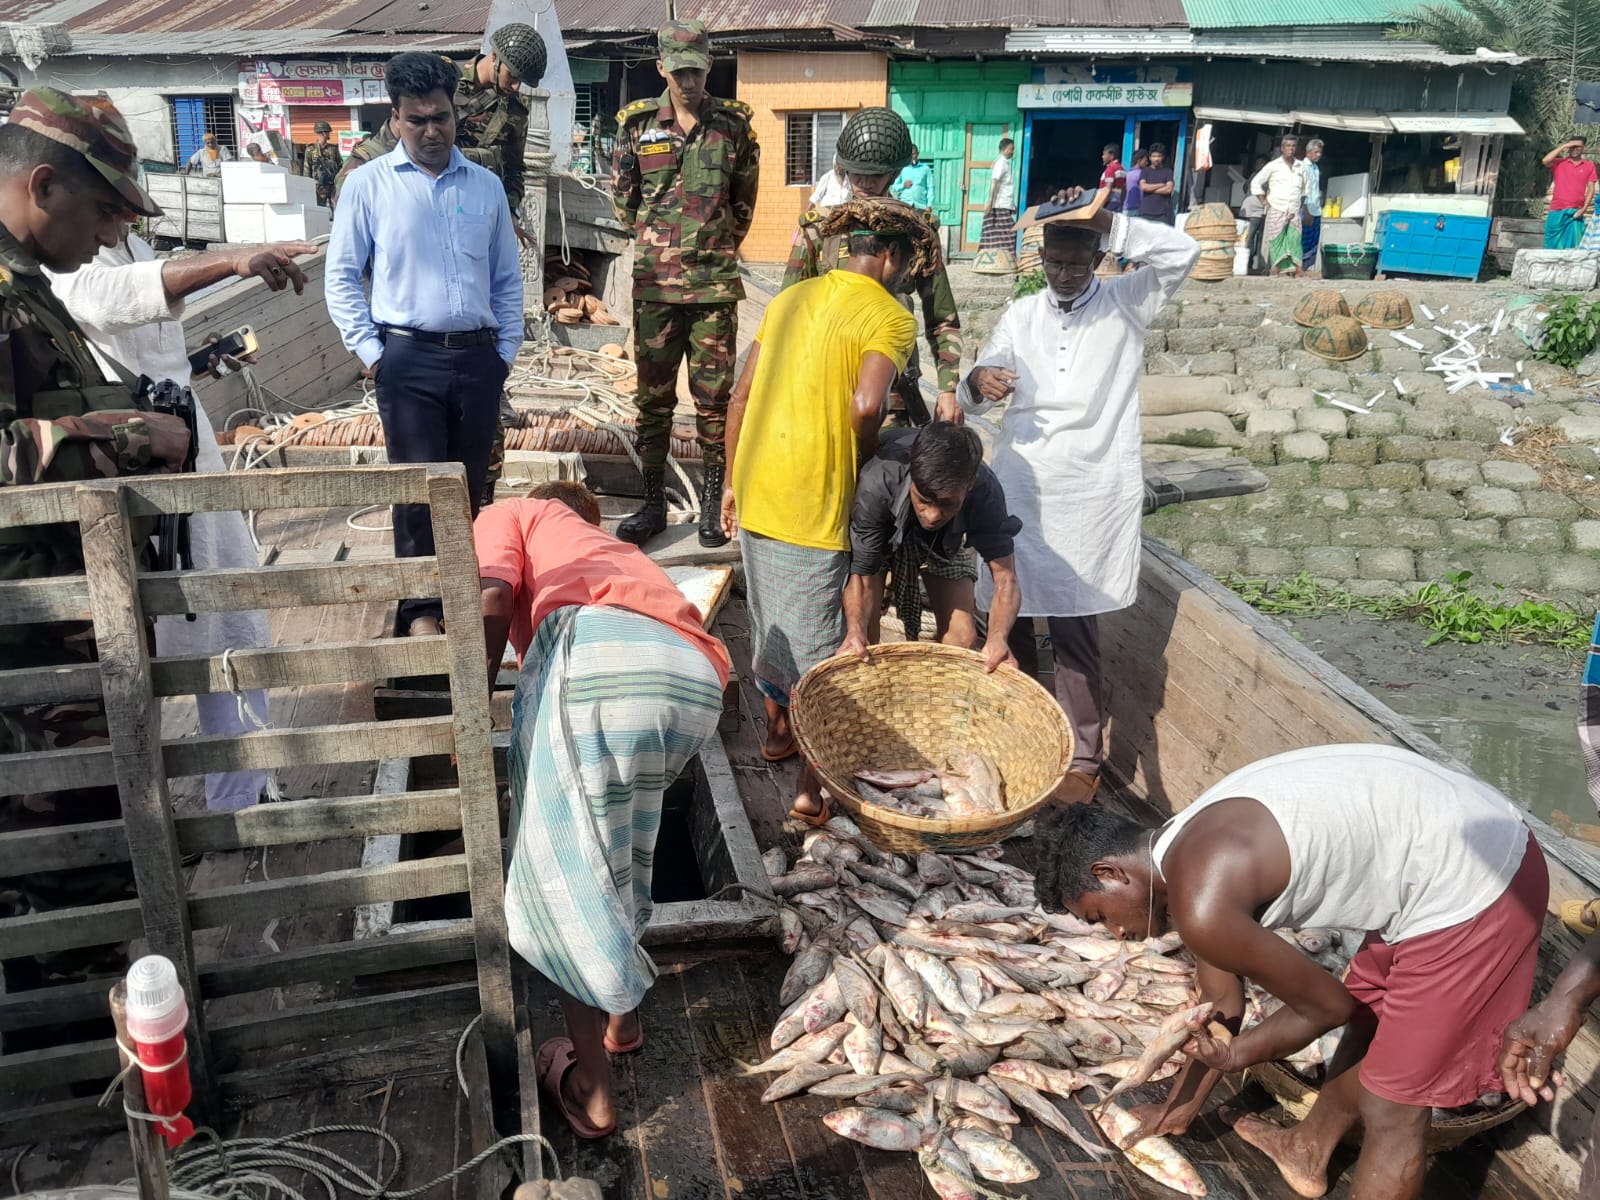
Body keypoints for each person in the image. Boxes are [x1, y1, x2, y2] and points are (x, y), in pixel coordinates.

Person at [1037, 744, 1547, 1200]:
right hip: (1446, 855)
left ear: (1110, 872)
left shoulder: (1202, 905)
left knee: (1394, 1109)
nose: (1115, 933)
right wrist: (1180, 1106)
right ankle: (1307, 1149)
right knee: (1369, 1014)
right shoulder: (1183, 849)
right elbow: (1222, 1004)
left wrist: (1237, 1055)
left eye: (1100, 916)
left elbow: (1328, 1007)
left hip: (1482, 883)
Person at [0, 88, 192, 1029]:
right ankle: (77, 1046)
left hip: (73, 626)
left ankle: (110, 1017)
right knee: (58, 849)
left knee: (102, 832)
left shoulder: (30, 291)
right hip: (27, 642)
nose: (114, 236)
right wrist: (127, 434)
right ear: (43, 186)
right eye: (104, 211)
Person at [475, 494, 730, 1139]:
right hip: (694, 675)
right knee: (623, 848)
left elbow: (490, 598)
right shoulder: (610, 550)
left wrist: (467, 714)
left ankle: (592, 1091)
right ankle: (623, 1020)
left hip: (597, 662)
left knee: (565, 879)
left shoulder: (515, 510)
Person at [45, 232, 317, 811]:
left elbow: (151, 335)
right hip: (130, 463)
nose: (121, 217)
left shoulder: (137, 246)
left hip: (192, 450)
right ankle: (148, 814)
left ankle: (242, 791)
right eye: (109, 206)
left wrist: (200, 359)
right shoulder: (65, 260)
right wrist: (230, 261)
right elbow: (105, 296)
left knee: (233, 613)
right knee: (146, 640)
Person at [960, 195, 1198, 805]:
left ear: (1098, 257)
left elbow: (1183, 252)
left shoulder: (1127, 302)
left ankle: (1083, 758)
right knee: (1010, 614)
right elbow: (978, 383)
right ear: (1041, 258)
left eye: (1076, 263)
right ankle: (1024, 737)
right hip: (1023, 480)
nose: (1064, 274)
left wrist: (1110, 221)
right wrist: (980, 381)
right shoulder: (1021, 313)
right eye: (1055, 263)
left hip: (1090, 488)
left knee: (1074, 625)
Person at [721, 198, 921, 824]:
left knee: (771, 623)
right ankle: (811, 789)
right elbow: (867, 405)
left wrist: (730, 481)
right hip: (814, 497)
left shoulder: (788, 299)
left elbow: (740, 395)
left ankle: (777, 734)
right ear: (890, 257)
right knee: (821, 649)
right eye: (907, 264)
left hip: (758, 482)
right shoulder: (890, 316)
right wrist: (866, 456)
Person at [326, 51, 524, 639]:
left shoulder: (486, 187)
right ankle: (419, 616)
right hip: (406, 360)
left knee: (469, 488)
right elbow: (341, 276)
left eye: (441, 117)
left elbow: (507, 279)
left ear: (454, 113)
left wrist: (503, 355)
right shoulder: (367, 186)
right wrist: (373, 354)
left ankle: (460, 602)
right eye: (417, 120)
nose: (432, 131)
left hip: (478, 359)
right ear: (395, 119)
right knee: (416, 493)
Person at [610, 19, 759, 550]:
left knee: (713, 404)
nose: (688, 82)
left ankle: (714, 507)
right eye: (678, 72)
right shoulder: (637, 125)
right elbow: (624, 201)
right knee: (653, 402)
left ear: (709, 66)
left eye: (696, 71)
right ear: (661, 69)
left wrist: (710, 248)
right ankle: (652, 504)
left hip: (713, 290)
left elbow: (743, 205)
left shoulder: (734, 126)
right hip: (655, 288)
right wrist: (660, 248)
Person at [784, 107, 962, 427]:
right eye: (857, 174)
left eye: (875, 175)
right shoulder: (819, 229)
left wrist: (948, 389)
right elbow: (789, 313)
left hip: (890, 393)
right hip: (825, 384)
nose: (865, 183)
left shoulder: (916, 231)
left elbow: (942, 318)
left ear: (894, 174)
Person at [334, 22, 548, 248]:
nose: (516, 87)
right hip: (419, 207)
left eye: (521, 82)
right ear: (494, 57)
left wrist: (509, 211)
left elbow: (515, 169)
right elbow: (396, 133)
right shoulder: (442, 79)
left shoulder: (515, 111)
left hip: (472, 214)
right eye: (512, 77)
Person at [842, 422, 1021, 669]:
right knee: (865, 642)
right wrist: (854, 630)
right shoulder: (878, 481)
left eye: (947, 504)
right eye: (924, 500)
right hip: (883, 531)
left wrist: (998, 639)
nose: (932, 515)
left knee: (963, 639)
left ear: (969, 485)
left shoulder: (986, 492)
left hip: (945, 542)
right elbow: (862, 577)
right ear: (913, 477)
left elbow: (1005, 579)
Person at [1251, 135, 1307, 276]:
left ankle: (1298, 269)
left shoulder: (1301, 166)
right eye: (1288, 146)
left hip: (1294, 209)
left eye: (1293, 146)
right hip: (1277, 207)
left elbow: (1306, 189)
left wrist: (1303, 206)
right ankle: (1275, 268)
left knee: (1295, 239)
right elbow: (1256, 182)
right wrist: (1263, 200)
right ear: (1282, 148)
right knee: (1276, 239)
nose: (1291, 149)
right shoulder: (1273, 165)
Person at [1542, 137, 1596, 249]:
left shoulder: (1589, 165)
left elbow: (1591, 189)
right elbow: (1545, 161)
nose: (1575, 149)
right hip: (1556, 209)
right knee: (1551, 245)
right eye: (1572, 146)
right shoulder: (1559, 163)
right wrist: (1563, 146)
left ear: (1583, 148)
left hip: (1575, 213)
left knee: (1574, 247)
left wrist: (1583, 209)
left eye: (1578, 146)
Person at [978, 136, 1017, 252]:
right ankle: (998, 256)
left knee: (1003, 233)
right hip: (1000, 204)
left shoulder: (1006, 164)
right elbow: (994, 182)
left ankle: (1001, 257)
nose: (1012, 152)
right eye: (1011, 149)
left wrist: (1012, 205)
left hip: (1005, 204)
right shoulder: (1000, 164)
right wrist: (990, 202)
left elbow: (1005, 186)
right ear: (1004, 149)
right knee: (1007, 233)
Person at [302, 120, 343, 208]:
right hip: (319, 187)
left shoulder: (333, 149)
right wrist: (308, 186)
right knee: (320, 210)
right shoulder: (311, 149)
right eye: (328, 132)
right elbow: (307, 169)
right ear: (323, 133)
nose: (329, 134)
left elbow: (340, 166)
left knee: (337, 208)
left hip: (333, 186)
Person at [1298, 137, 1325, 271]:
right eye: (1316, 152)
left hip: (1316, 209)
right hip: (1306, 209)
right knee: (1303, 240)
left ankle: (1305, 268)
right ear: (1308, 153)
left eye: (1320, 152)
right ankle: (1298, 267)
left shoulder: (1315, 168)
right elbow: (1304, 190)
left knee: (1314, 241)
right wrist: (1306, 209)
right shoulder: (1303, 167)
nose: (1319, 155)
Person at [1136, 142, 1175, 224]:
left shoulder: (1168, 172)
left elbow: (1169, 189)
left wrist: (1150, 189)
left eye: (1159, 156)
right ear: (1150, 158)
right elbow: (1143, 187)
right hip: (1145, 212)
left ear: (1163, 157)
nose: (1156, 159)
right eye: (1154, 156)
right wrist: (1161, 185)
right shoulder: (1145, 171)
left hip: (1163, 213)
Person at [895, 144, 934, 213]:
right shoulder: (902, 168)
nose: (911, 157)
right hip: (905, 205)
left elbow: (930, 187)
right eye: (909, 155)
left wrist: (929, 205)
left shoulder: (925, 169)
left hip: (920, 206)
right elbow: (894, 187)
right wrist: (903, 185)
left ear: (917, 154)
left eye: (913, 154)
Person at [1098, 143, 1126, 212]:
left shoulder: (1110, 168)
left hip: (1109, 203)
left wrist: (1100, 206)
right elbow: (1124, 189)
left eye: (1104, 154)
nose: (1102, 157)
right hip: (1118, 204)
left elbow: (1108, 189)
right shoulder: (1122, 169)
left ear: (1111, 156)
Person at [1122, 148, 1148, 220]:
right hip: (1138, 209)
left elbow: (1124, 190)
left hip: (1126, 208)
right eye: (1145, 161)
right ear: (1139, 161)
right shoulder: (1142, 174)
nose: (1147, 163)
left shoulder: (1128, 174)